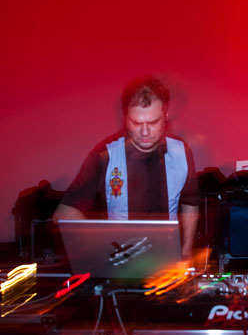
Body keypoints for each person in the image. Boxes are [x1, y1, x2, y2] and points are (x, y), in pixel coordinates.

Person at [53, 77, 201, 259]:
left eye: (153, 122)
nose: (145, 132)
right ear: (125, 119)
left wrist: (186, 253)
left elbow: (190, 203)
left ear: (166, 116)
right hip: (120, 261)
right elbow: (64, 212)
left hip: (167, 260)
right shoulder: (105, 155)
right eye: (136, 123)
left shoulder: (181, 152)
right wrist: (102, 248)